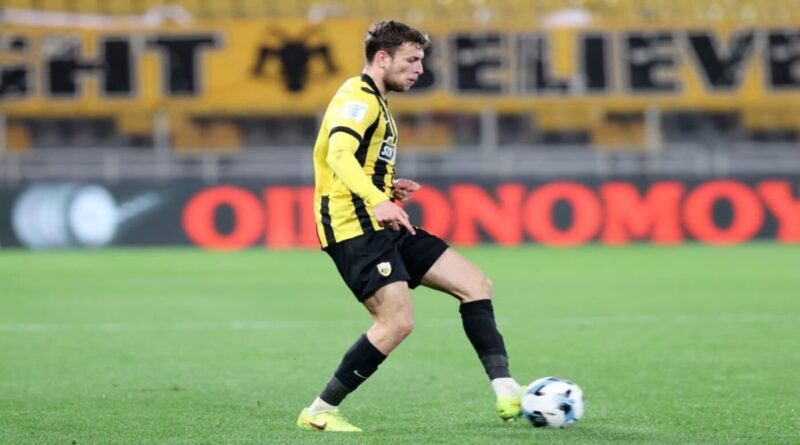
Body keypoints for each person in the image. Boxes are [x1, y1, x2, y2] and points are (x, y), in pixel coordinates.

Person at [297, 20, 521, 433]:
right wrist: (377, 199)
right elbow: (339, 155)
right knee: (395, 322)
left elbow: (358, 161)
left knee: (475, 284)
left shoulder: (377, 100)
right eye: (412, 60)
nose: (420, 69)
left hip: (381, 221)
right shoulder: (357, 98)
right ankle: (319, 411)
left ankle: (507, 389)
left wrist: (387, 187)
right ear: (382, 58)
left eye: (421, 60)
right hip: (354, 227)